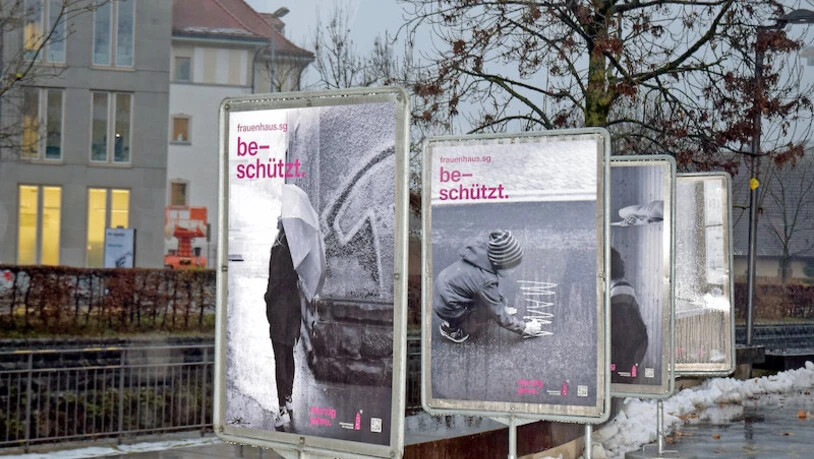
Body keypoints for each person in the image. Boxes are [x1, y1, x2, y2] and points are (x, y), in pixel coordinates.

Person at [433, 230, 543, 343]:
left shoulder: (483, 258)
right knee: (479, 320)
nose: (513, 271)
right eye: (512, 267)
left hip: (444, 287)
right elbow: (497, 312)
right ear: (500, 264)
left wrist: (502, 306)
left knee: (488, 307)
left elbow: (491, 295)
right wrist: (524, 328)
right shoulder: (485, 279)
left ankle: (459, 316)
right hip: (447, 304)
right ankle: (452, 328)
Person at [264, 220, 302, 428]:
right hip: (293, 307)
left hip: (280, 308)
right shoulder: (297, 248)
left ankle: (281, 409)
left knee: (280, 356)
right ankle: (288, 398)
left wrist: (267, 298)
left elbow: (275, 282)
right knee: (288, 354)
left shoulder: (279, 247)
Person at [609, 248, 649, 382]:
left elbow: (624, 336)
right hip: (623, 360)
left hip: (620, 362)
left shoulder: (620, 289)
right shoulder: (616, 287)